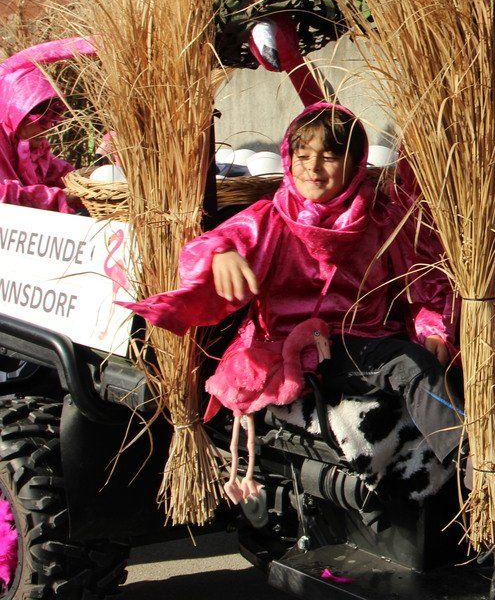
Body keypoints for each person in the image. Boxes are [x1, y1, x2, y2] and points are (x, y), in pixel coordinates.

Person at [123, 104, 460, 503]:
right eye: (303, 155)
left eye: (329, 156)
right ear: (288, 158)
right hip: (287, 349)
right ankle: (471, 467)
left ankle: (467, 467)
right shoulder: (271, 217)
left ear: (355, 164)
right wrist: (219, 252)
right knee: (409, 366)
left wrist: (434, 329)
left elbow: (422, 283)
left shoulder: (382, 218)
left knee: (427, 365)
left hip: (362, 340)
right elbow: (213, 242)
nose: (313, 168)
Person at [0, 38, 95, 213]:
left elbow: (54, 170)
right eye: (40, 121)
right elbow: (4, 195)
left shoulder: (32, 145)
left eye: (52, 120)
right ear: (17, 114)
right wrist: (60, 197)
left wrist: (84, 180)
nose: (48, 128)